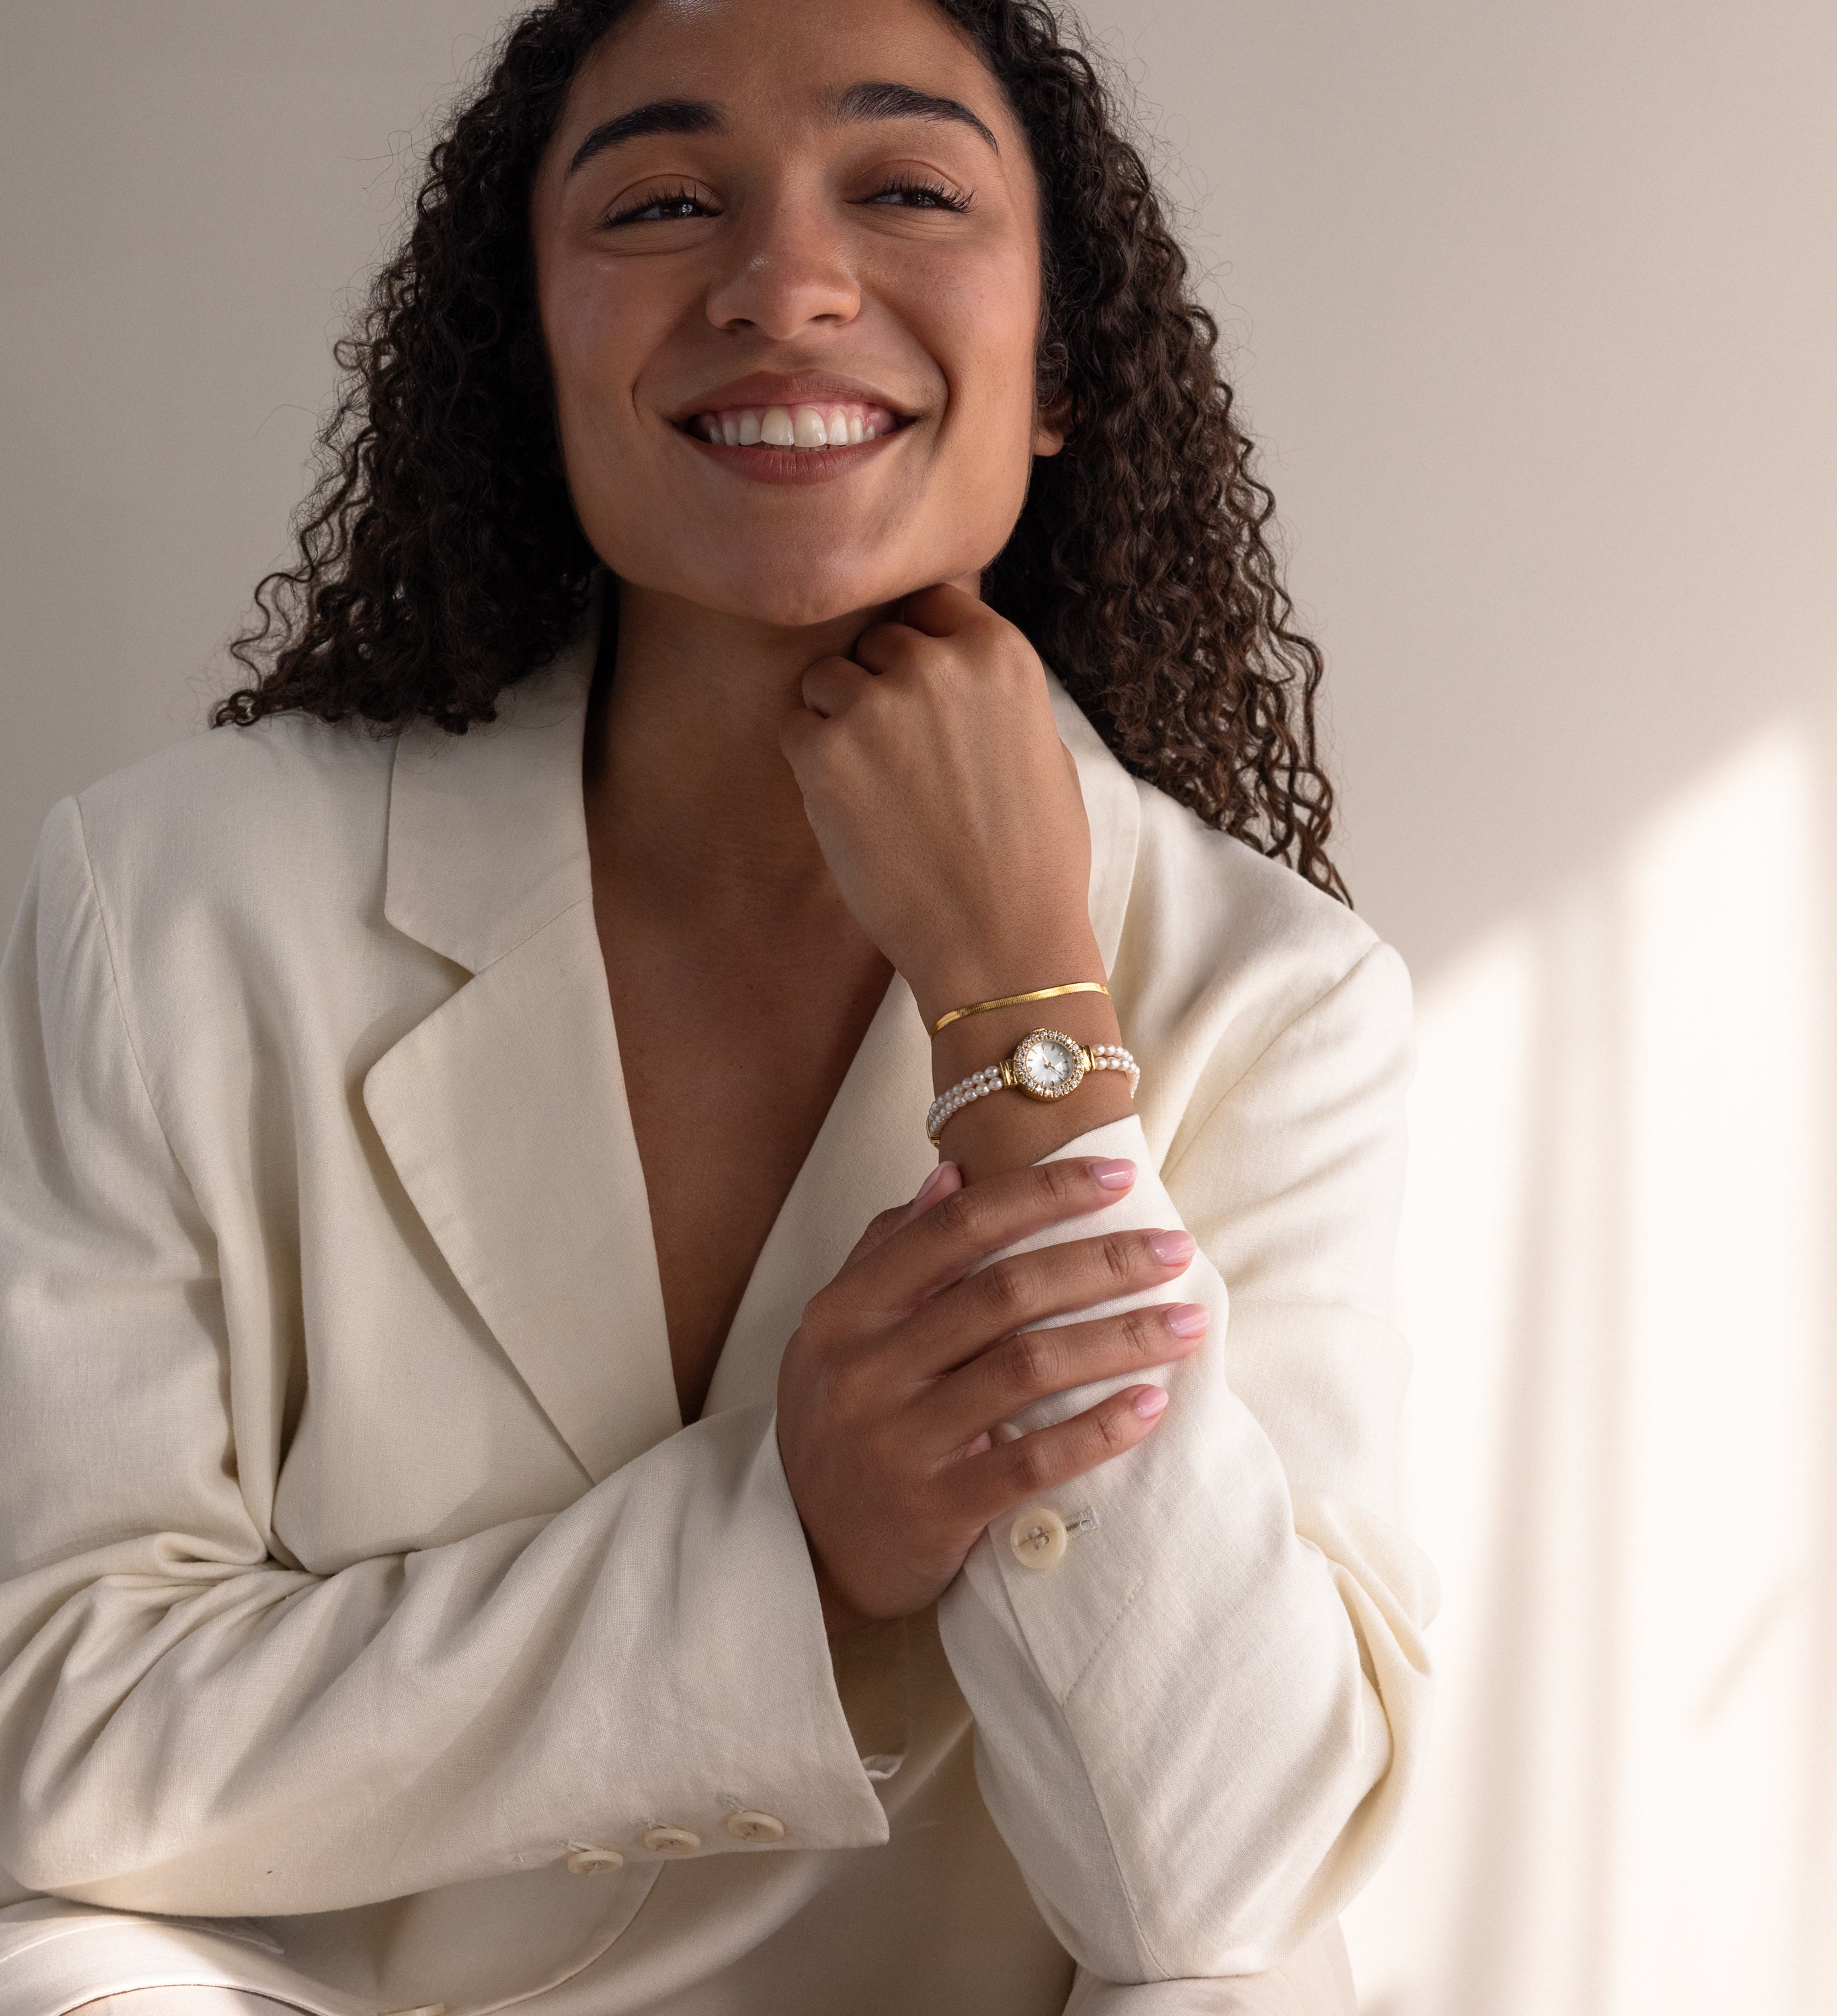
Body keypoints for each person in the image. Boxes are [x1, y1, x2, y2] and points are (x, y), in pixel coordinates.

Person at [0, 1, 1436, 2011]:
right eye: (665, 201)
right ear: (535, 352)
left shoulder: (1275, 998)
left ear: (1063, 368)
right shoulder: (173, 900)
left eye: (909, 187)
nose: (785, 285)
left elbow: (1219, 1882)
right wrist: (789, 1559)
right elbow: (57, 1736)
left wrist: (1025, 1022)